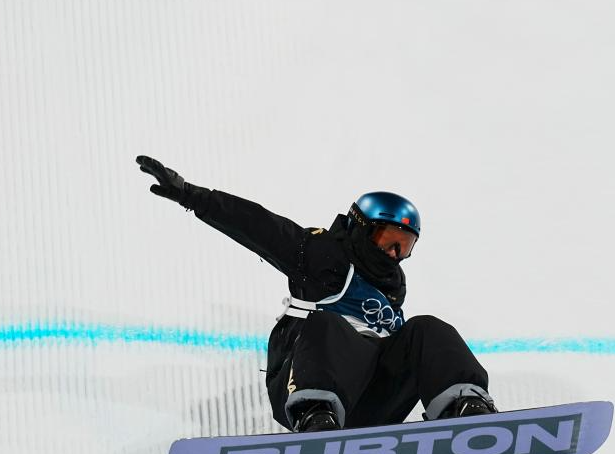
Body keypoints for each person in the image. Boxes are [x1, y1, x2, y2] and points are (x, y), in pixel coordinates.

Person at [136, 155, 497, 433]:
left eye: (404, 246)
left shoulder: (392, 286)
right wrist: (190, 195)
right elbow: (258, 225)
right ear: (361, 228)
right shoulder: (321, 255)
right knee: (329, 324)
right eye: (389, 241)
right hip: (307, 385)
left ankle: (464, 408)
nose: (394, 254)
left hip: (369, 401)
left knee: (428, 329)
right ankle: (315, 413)